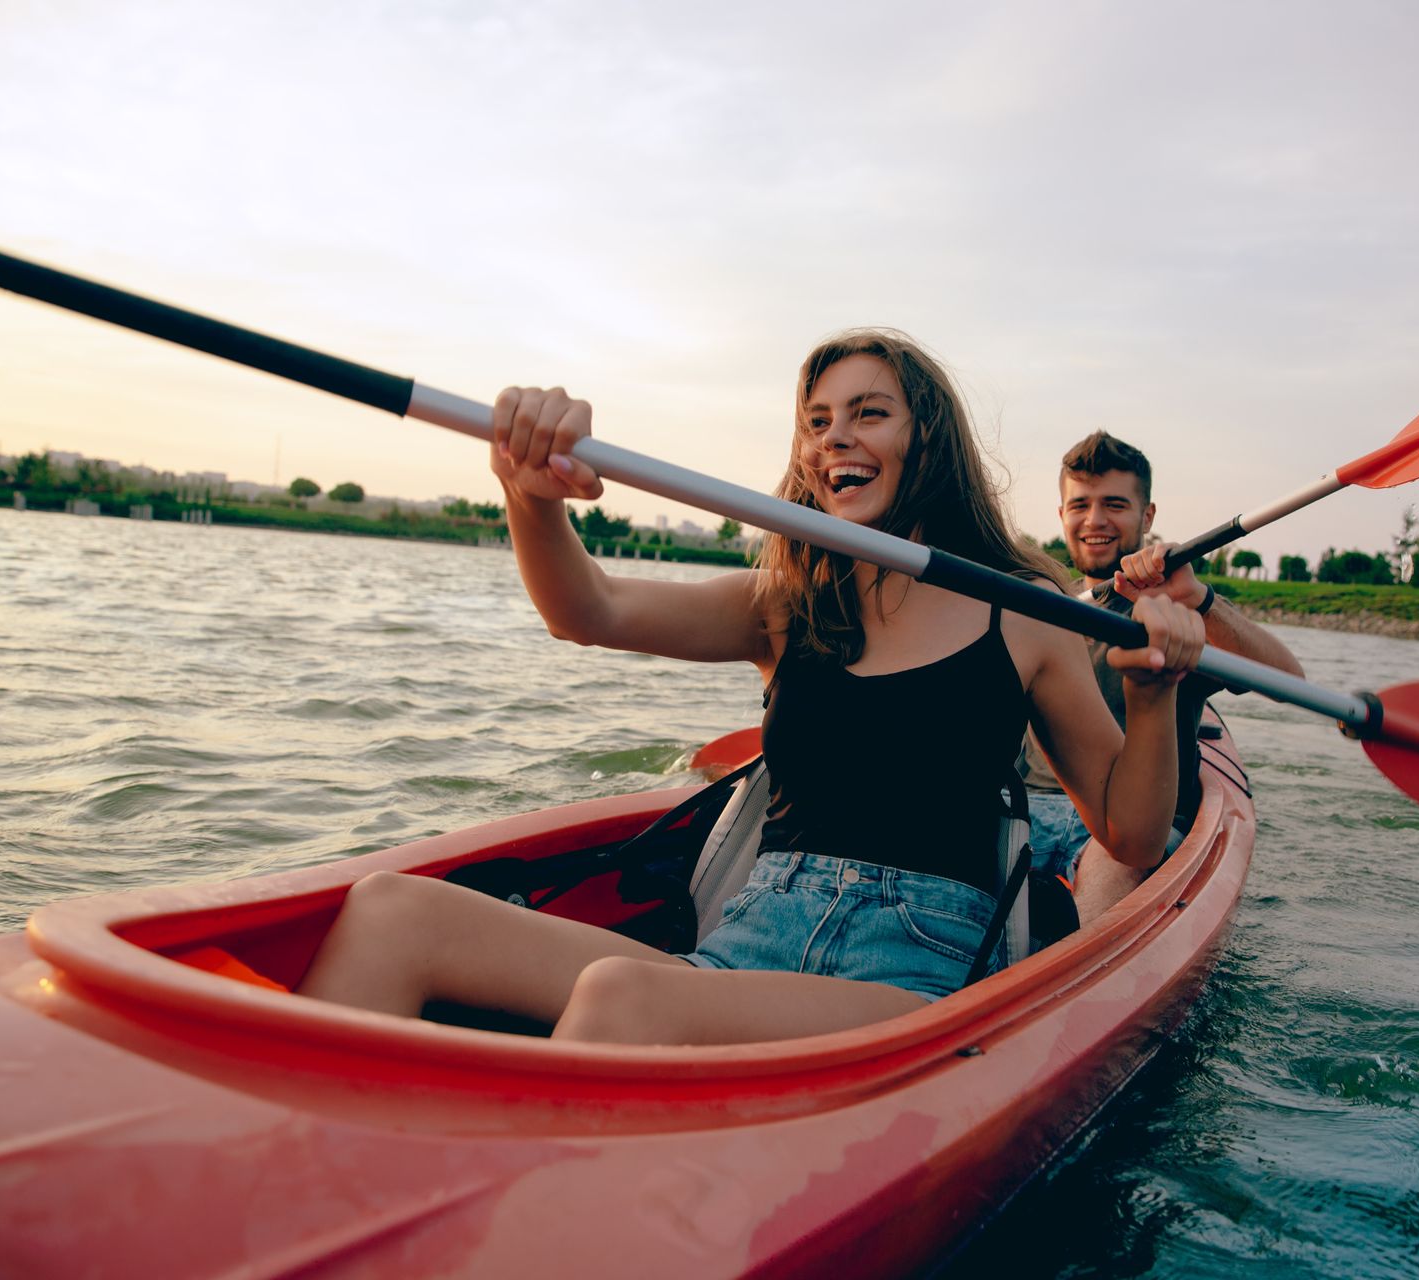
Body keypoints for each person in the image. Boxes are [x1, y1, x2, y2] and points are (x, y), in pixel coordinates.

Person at [296, 331, 1205, 1046]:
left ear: (925, 437)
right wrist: (528, 494)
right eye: (816, 421)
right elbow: (591, 608)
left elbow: (1128, 832)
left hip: (909, 980)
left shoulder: (1024, 606)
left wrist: (1154, 696)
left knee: (625, 998)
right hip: (745, 940)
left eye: (869, 413)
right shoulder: (786, 601)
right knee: (391, 912)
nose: (835, 437)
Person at [1020, 431, 1303, 920]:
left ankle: (1081, 979)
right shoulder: (1042, 603)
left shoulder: (1177, 612)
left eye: (1114, 504)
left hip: (1129, 830)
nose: (1095, 521)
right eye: (1080, 505)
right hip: (1025, 808)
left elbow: (1290, 681)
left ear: (1147, 516)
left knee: (1117, 866)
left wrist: (1201, 601)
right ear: (1061, 514)